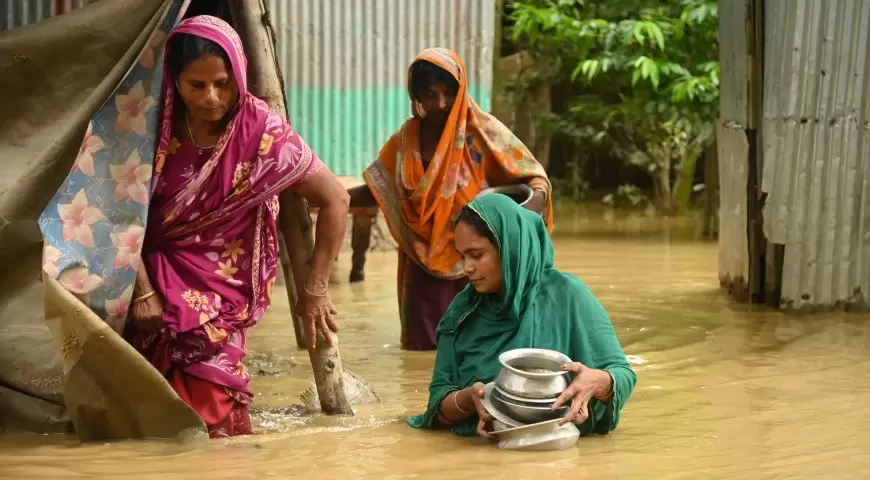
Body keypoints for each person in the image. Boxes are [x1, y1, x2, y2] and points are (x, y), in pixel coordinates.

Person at [128, 16, 349, 438]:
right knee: (149, 414)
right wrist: (143, 290)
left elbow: (335, 199)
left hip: (219, 296)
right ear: (175, 80)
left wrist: (316, 287)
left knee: (217, 413)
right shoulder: (148, 124)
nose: (212, 97)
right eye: (197, 86)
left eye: (223, 83)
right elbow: (118, 215)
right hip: (145, 281)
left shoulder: (262, 130)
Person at [348, 47, 552, 351]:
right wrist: (330, 195)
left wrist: (523, 214)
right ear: (416, 95)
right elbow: (380, 189)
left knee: (478, 349)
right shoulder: (406, 140)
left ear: (460, 91)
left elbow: (535, 180)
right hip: (423, 263)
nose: (440, 103)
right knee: (425, 352)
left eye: (448, 93)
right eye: (430, 94)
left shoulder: (483, 133)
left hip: (477, 264)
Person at [406, 194, 637, 438]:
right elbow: (438, 403)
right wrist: (467, 399)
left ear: (510, 248)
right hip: (488, 458)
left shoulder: (569, 296)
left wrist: (598, 382)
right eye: (462, 256)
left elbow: (623, 374)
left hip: (562, 457)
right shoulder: (462, 313)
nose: (467, 268)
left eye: (477, 255)